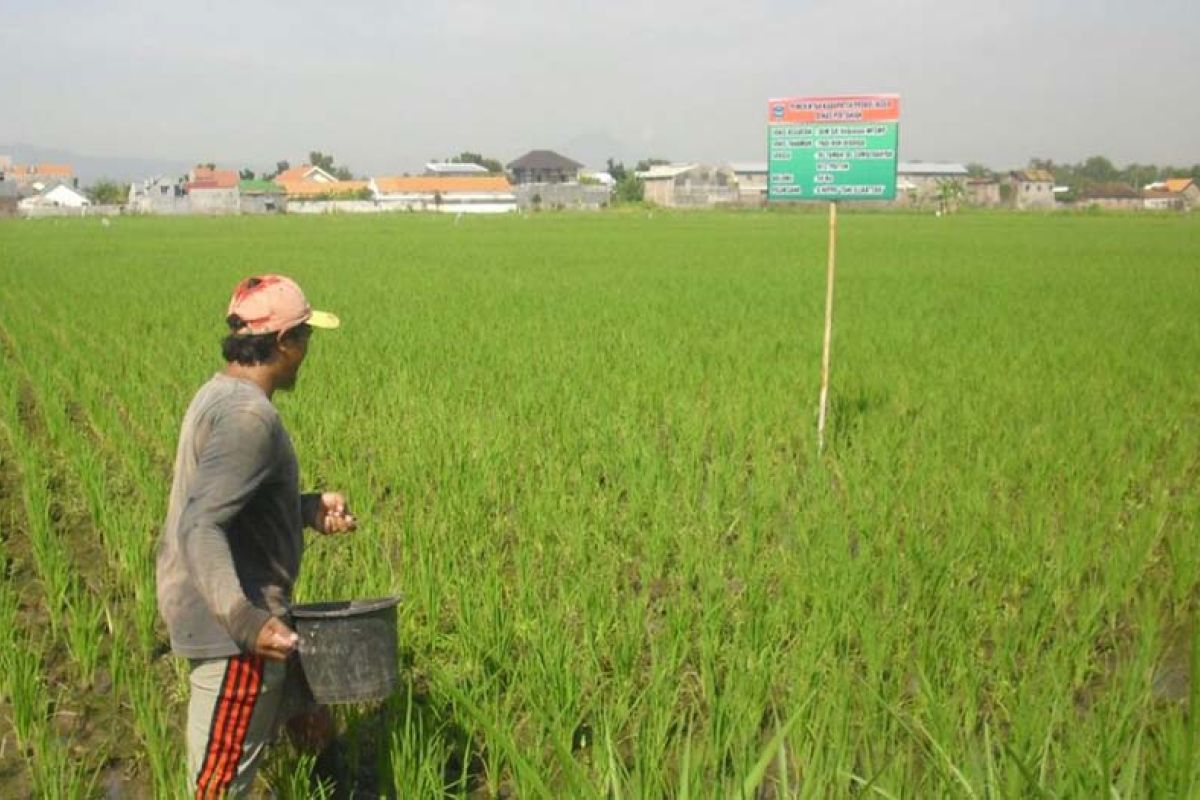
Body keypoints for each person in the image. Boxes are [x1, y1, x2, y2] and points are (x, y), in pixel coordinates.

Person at [155, 274, 358, 797]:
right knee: (218, 787)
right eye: (306, 338)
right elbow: (201, 524)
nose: (308, 351)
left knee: (312, 726)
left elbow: (231, 501)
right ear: (284, 343)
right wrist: (246, 622)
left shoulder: (217, 393)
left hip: (254, 618)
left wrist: (304, 509)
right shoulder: (249, 418)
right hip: (238, 634)